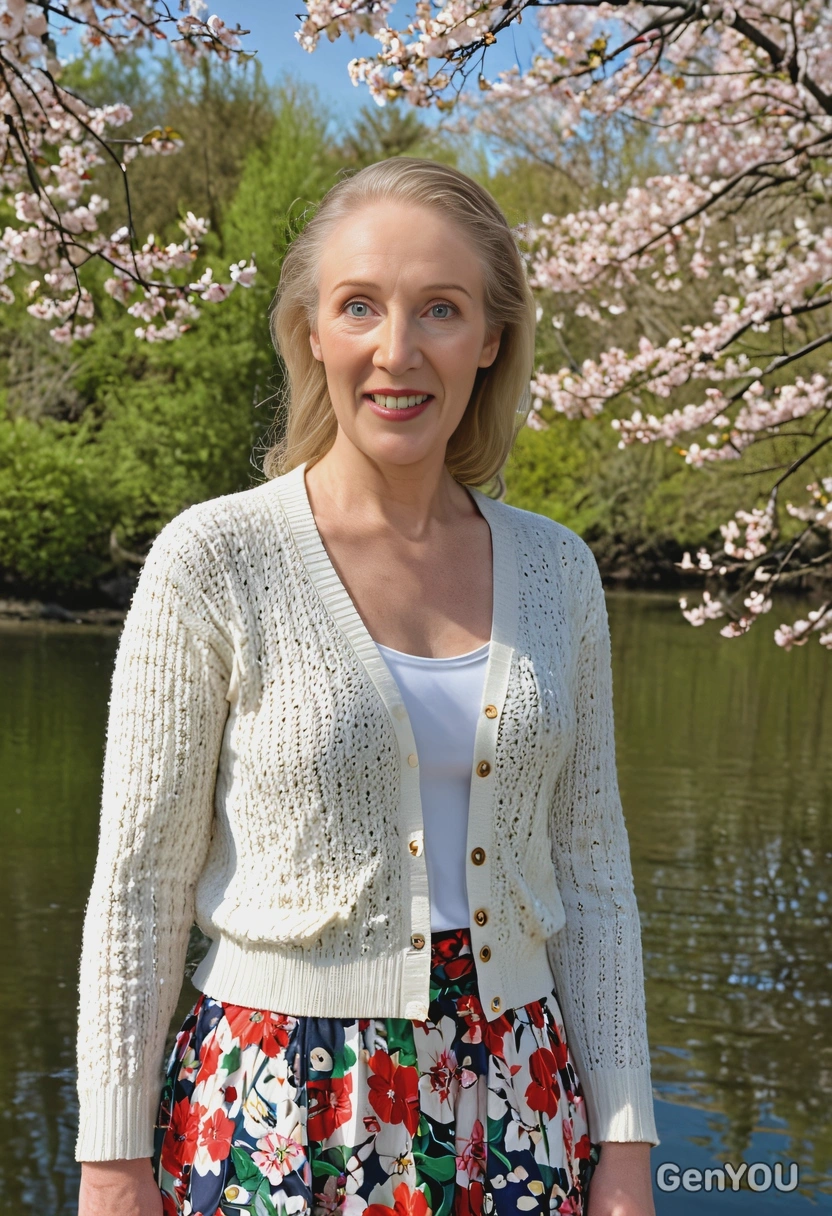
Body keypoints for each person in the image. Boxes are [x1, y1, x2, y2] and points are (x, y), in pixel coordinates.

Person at [75, 157, 659, 1216]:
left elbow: (594, 875)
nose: (398, 352)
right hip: (274, 1105)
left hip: (522, 1099)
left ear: (489, 340)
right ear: (311, 331)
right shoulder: (216, 557)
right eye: (359, 306)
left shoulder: (556, 569)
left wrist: (625, 1142)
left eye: (440, 308)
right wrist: (111, 1159)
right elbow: (139, 883)